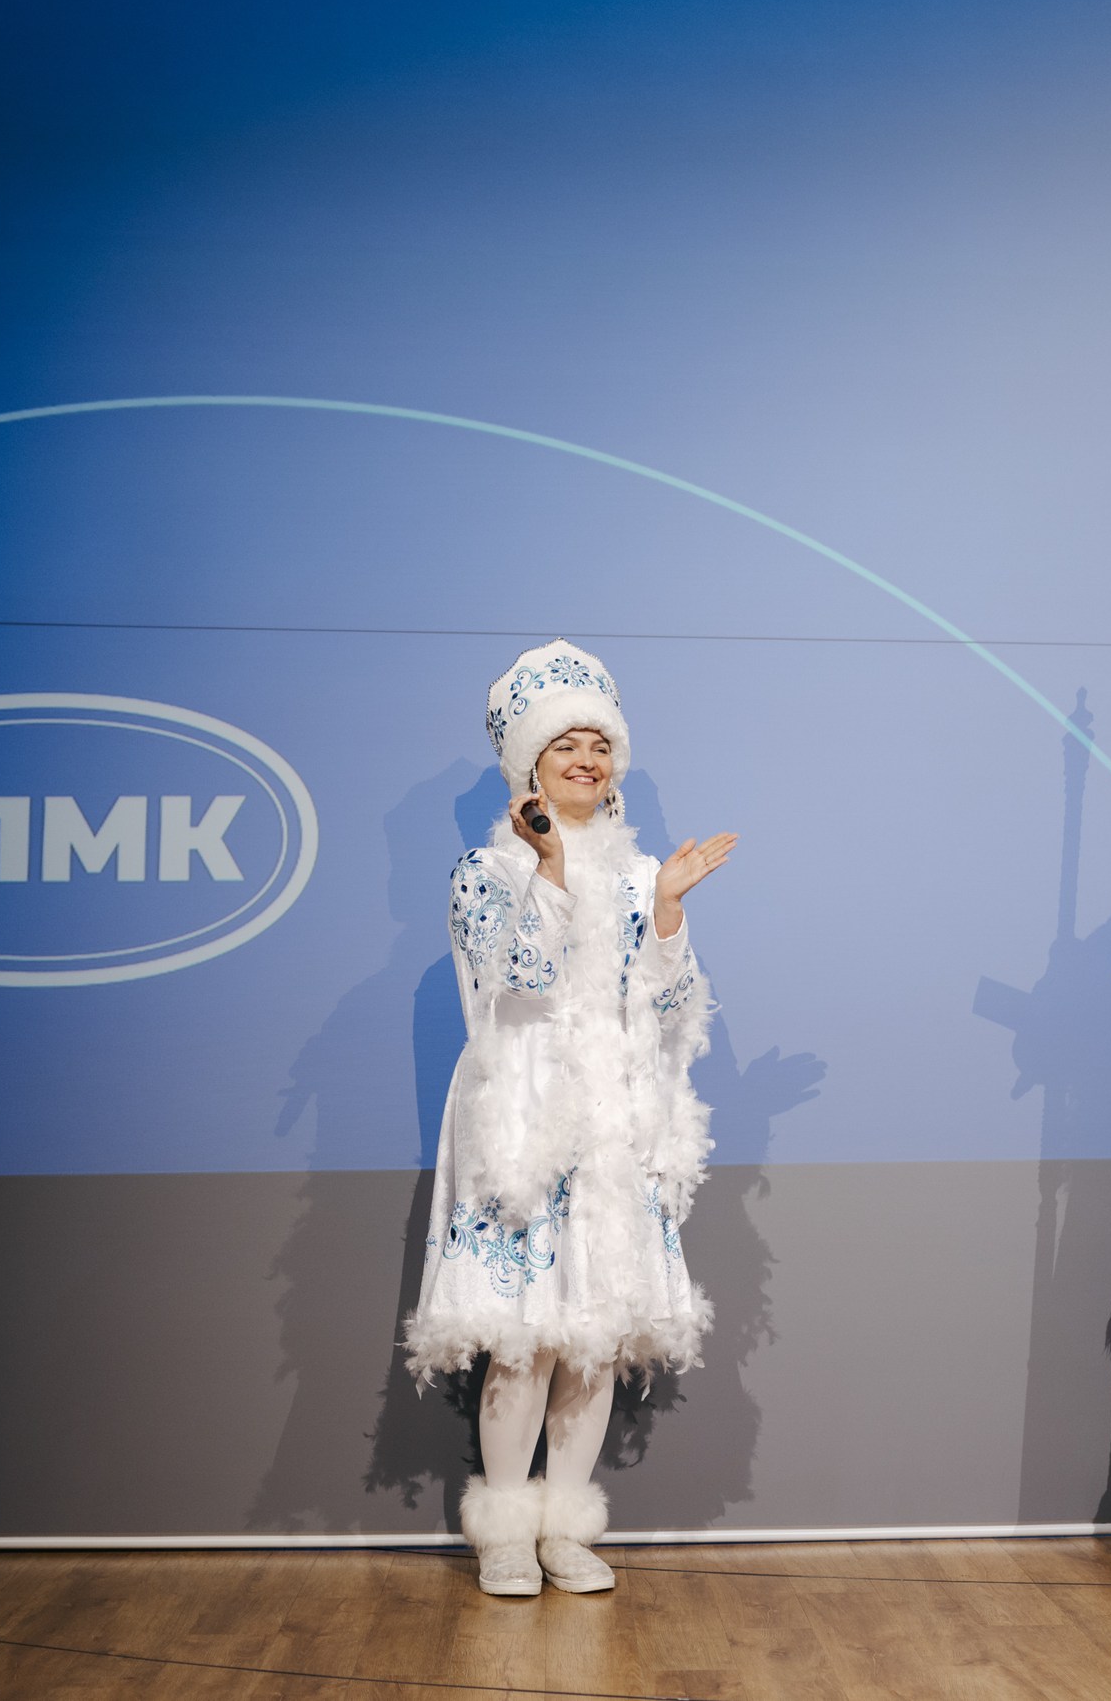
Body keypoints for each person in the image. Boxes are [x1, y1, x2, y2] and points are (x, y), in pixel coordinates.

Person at [404, 639, 737, 1597]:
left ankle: (563, 1528)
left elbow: (673, 1012)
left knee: (593, 1335)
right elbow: (515, 980)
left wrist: (666, 912)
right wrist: (548, 868)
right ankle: (505, 1533)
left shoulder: (640, 875)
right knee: (525, 1336)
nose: (587, 761)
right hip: (522, 1120)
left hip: (612, 1127)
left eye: (599, 746)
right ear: (531, 765)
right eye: (567, 746)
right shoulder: (485, 871)